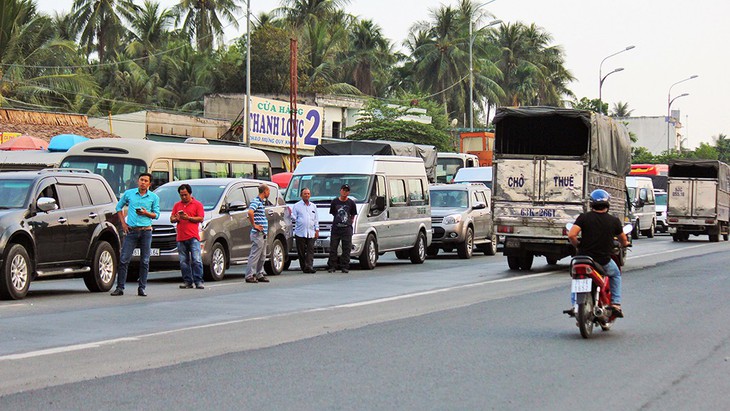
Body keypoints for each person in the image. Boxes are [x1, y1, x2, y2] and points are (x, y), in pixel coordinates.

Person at [566, 189, 630, 317]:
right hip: (603, 261)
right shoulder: (614, 221)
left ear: (591, 203)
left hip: (583, 259)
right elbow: (623, 239)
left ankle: (574, 305)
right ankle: (616, 304)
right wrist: (625, 244)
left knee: (576, 278)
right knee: (616, 274)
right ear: (607, 204)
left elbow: (572, 235)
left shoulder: (583, 218)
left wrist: (578, 245)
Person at [111, 173, 160, 297]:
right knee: (124, 259)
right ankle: (120, 287)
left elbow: (156, 214)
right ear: (138, 181)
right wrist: (123, 223)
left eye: (146, 181)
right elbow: (118, 207)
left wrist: (146, 213)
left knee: (144, 261)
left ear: (149, 184)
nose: (143, 182)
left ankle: (142, 287)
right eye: (141, 180)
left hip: (146, 231)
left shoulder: (153, 197)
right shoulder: (129, 193)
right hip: (132, 230)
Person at [170, 184, 205, 289]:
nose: (184, 197)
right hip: (181, 237)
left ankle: (198, 280)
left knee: (196, 259)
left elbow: (200, 218)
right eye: (181, 195)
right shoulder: (177, 205)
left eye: (185, 195)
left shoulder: (197, 204)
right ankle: (187, 281)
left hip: (193, 236)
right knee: (183, 261)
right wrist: (176, 218)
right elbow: (171, 219)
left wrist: (188, 218)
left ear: (190, 193)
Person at [327, 184, 357, 273]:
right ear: (340, 191)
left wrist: (349, 222)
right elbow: (333, 213)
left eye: (347, 191)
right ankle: (332, 266)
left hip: (346, 229)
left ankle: (345, 266)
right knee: (333, 248)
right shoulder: (335, 202)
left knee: (346, 248)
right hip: (336, 228)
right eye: (343, 190)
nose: (345, 192)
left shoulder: (351, 203)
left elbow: (353, 214)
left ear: (349, 192)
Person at [245, 184, 271, 284]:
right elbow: (250, 212)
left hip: (263, 233)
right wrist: (254, 225)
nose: (269, 193)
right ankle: (249, 275)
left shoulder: (261, 202)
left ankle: (259, 273)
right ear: (264, 191)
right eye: (268, 191)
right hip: (258, 233)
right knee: (255, 254)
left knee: (262, 255)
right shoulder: (256, 201)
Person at [291, 187, 319, 273]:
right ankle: (304, 267)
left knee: (310, 250)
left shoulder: (313, 206)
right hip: (300, 232)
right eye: (305, 194)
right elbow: (293, 216)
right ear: (301, 195)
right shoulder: (296, 206)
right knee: (301, 251)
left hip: (311, 232)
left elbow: (316, 219)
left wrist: (317, 230)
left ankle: (309, 266)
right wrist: (298, 220)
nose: (307, 195)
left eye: (308, 194)